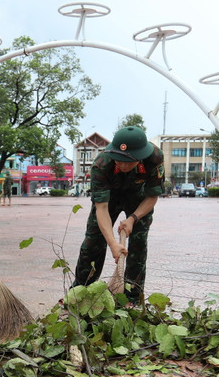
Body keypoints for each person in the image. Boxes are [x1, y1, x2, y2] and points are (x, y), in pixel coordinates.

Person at [71, 126, 165, 303]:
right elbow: (101, 208)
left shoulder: (155, 158)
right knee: (93, 242)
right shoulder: (102, 164)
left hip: (139, 197)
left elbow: (152, 196)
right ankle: (79, 294)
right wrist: (112, 243)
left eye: (128, 161)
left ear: (140, 157)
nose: (122, 164)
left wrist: (133, 218)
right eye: (119, 160)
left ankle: (132, 298)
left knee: (138, 244)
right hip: (109, 197)